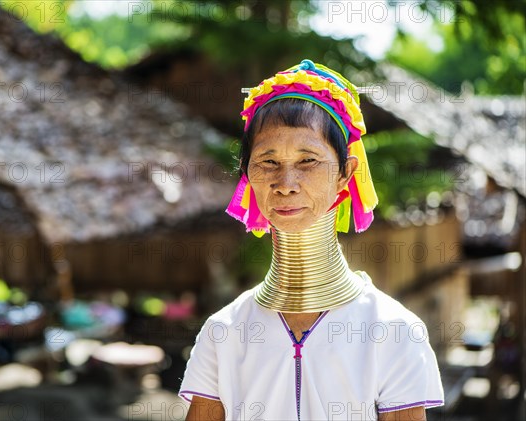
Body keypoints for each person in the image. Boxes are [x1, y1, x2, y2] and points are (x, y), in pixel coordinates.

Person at [179, 59, 444, 421]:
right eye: (268, 162)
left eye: (308, 160)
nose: (286, 183)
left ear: (345, 174)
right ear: (247, 174)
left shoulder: (394, 332)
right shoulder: (223, 333)